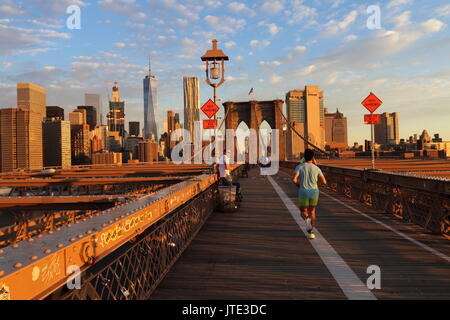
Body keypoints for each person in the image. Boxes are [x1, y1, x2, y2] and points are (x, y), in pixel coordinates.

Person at [292, 149, 327, 239]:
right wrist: (317, 185)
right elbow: (324, 182)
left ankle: (307, 221)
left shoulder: (300, 166)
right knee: (312, 211)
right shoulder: (317, 168)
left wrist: (298, 185)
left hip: (303, 191)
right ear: (313, 157)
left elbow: (294, 179)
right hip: (314, 192)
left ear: (304, 157)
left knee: (303, 212)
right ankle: (311, 231)